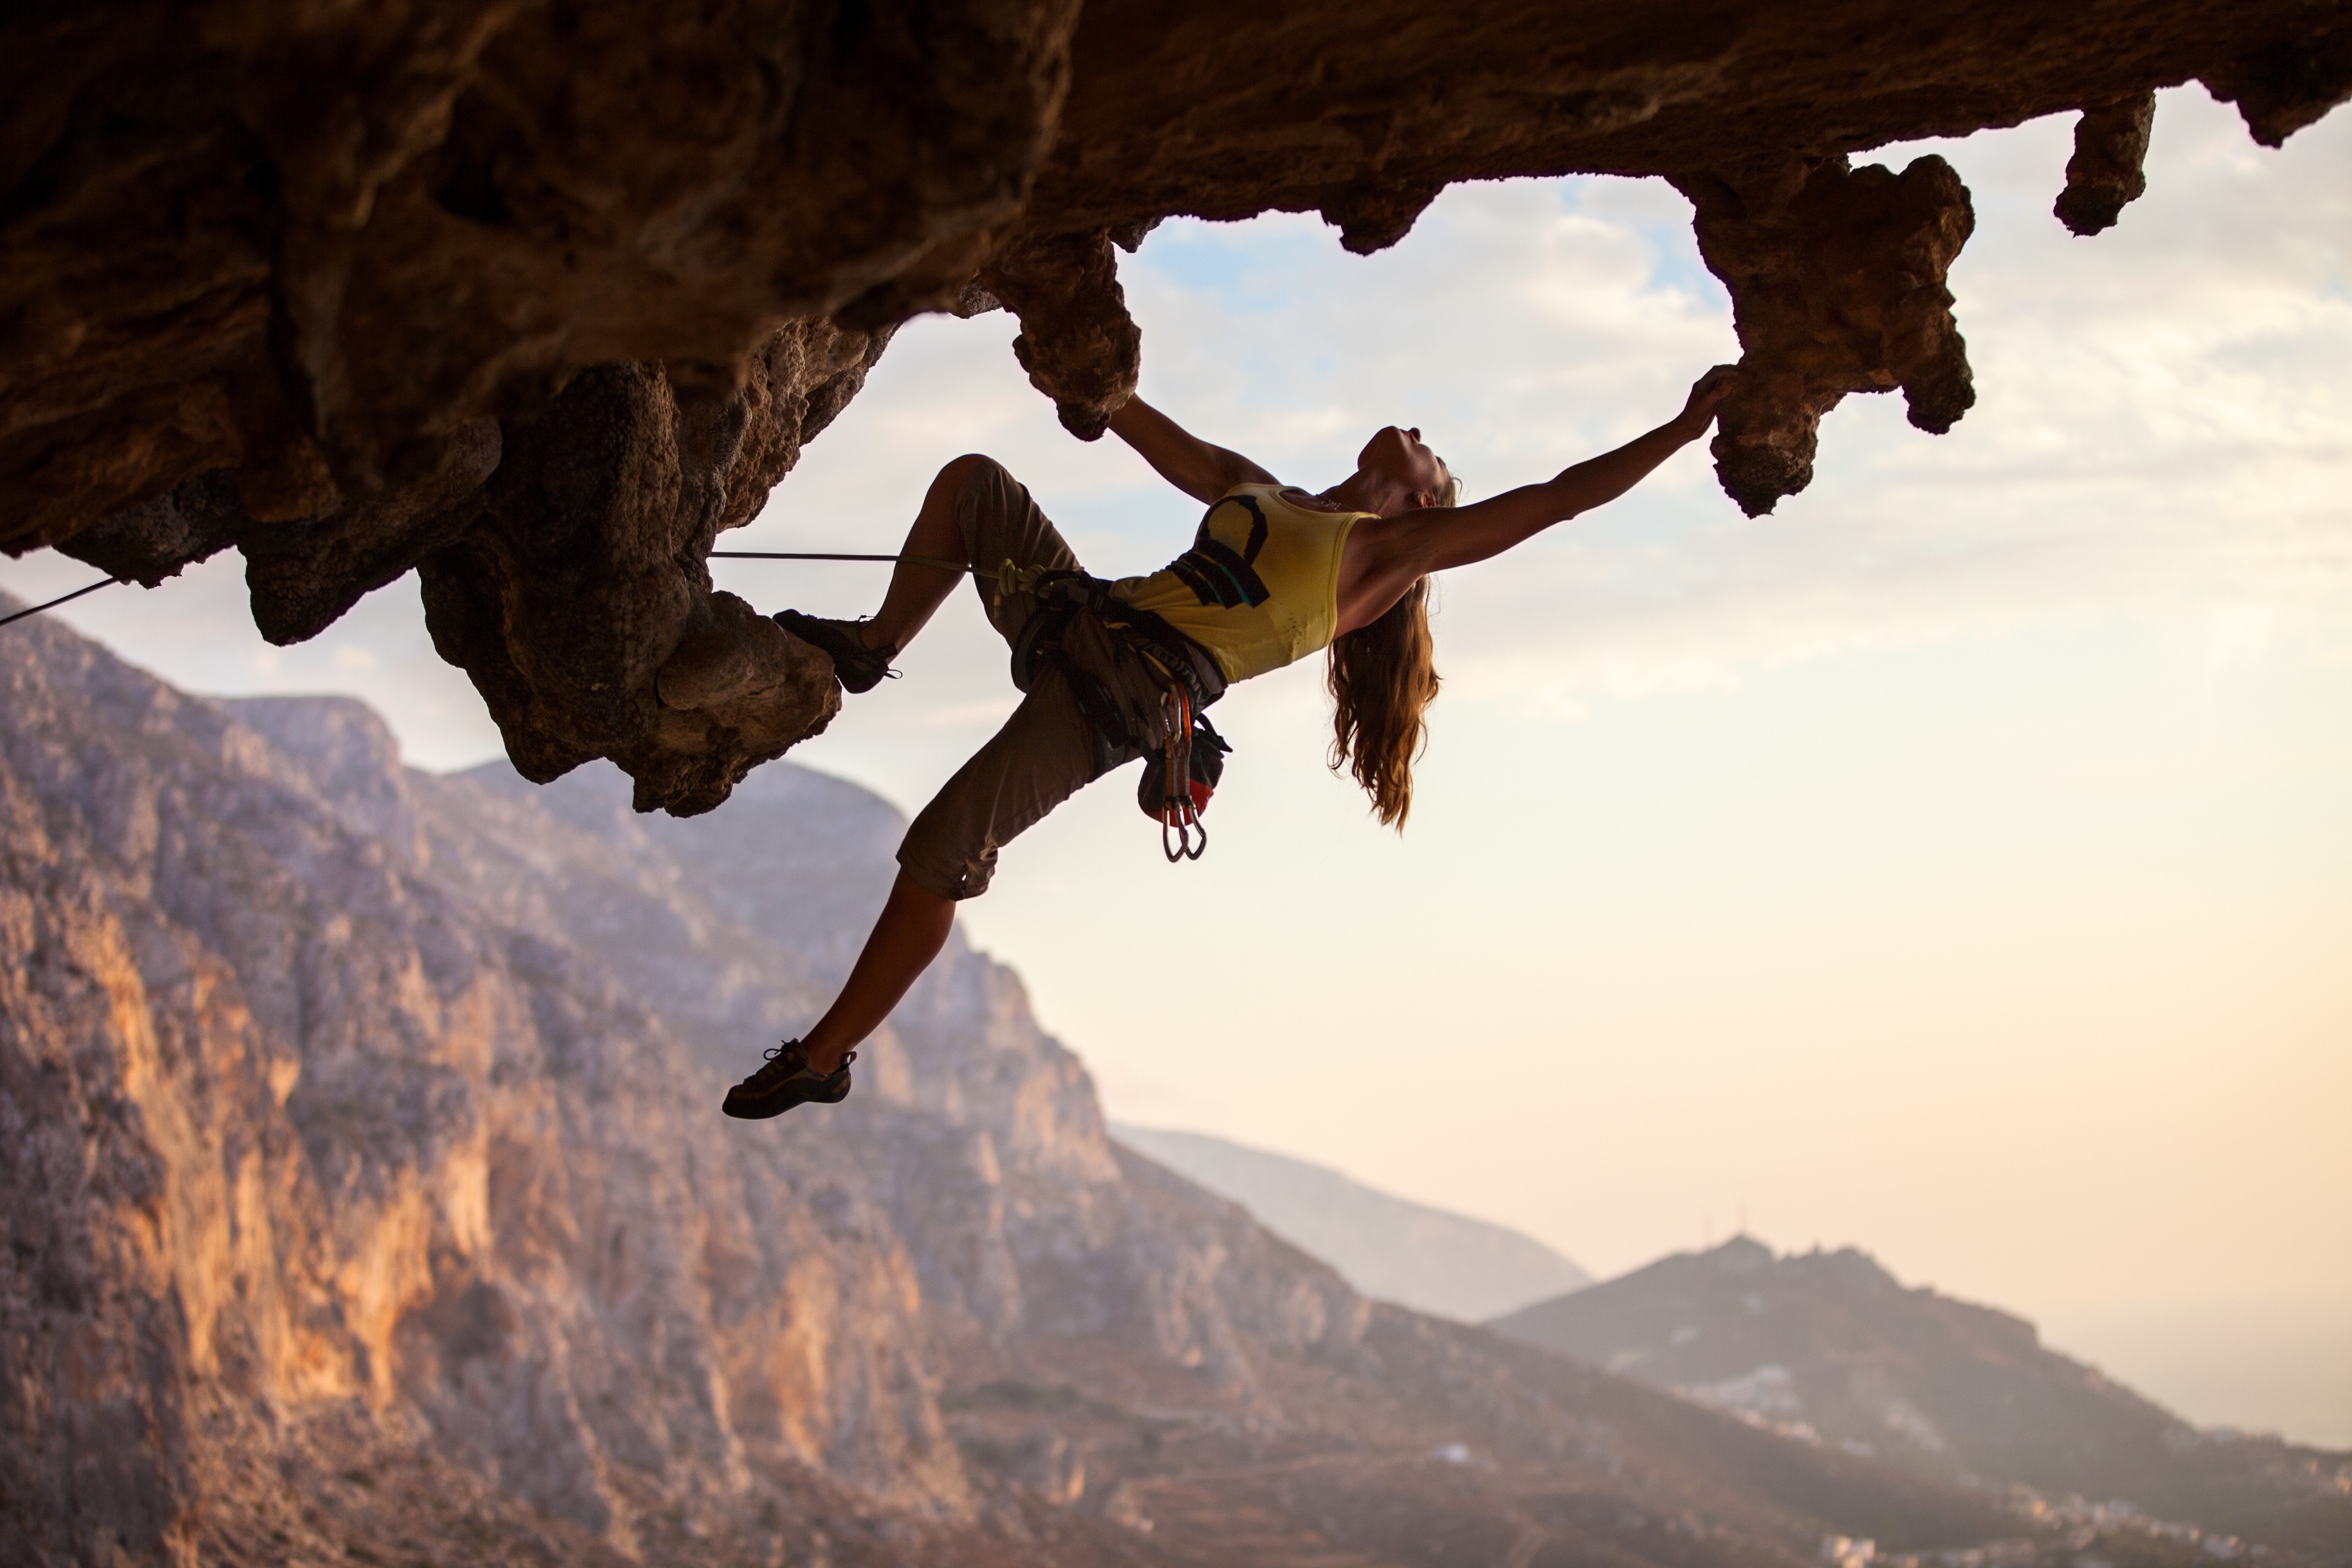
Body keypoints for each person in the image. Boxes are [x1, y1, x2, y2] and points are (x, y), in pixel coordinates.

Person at [722, 365, 1742, 1118]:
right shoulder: (1268, 491)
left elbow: (1559, 497)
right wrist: (1081, 367)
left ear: (1427, 498)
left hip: (1122, 697)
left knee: (942, 848)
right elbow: (1136, 421)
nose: (1420, 432)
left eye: (1432, 453)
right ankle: (872, 646)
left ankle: (826, 1057)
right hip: (1087, 616)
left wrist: (1684, 426)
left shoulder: (1387, 553)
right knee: (975, 485)